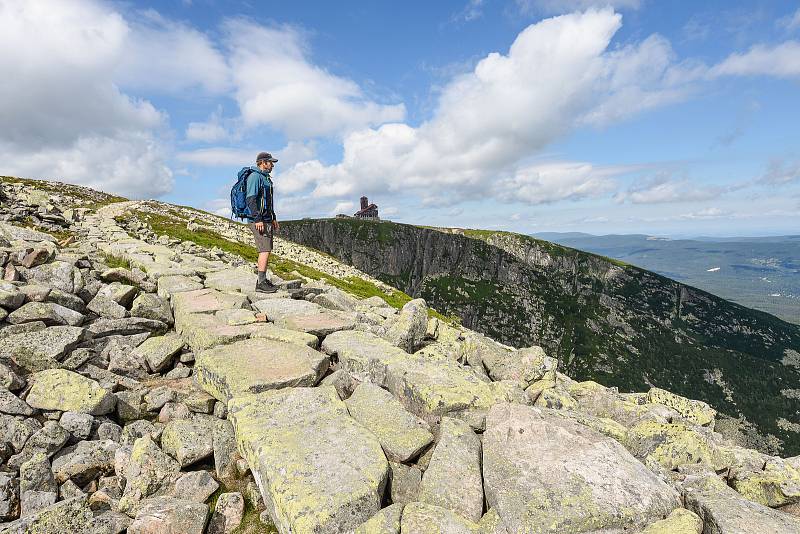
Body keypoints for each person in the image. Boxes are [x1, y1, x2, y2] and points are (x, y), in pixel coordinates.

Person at [246, 152, 280, 292]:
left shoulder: (265, 178)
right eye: (270, 162)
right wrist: (257, 218)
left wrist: (273, 218)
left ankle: (263, 280)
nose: (272, 165)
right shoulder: (255, 177)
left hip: (266, 219)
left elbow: (267, 201)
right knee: (264, 250)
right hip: (259, 220)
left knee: (267, 249)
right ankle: (261, 283)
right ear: (263, 162)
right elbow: (251, 199)